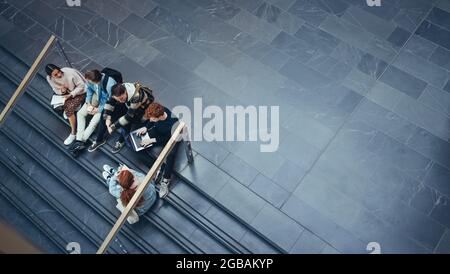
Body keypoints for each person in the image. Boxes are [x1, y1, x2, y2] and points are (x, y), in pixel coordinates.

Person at [88, 82, 154, 154]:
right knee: (105, 113)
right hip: (128, 105)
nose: (120, 101)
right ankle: (99, 140)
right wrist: (107, 118)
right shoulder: (118, 90)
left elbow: (128, 117)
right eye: (118, 99)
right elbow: (110, 102)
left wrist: (113, 127)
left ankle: (121, 141)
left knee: (127, 122)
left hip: (140, 111)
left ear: (125, 92)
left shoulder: (136, 97)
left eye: (121, 98)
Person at [137, 102, 180, 198]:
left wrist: (151, 140)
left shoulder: (173, 123)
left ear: (159, 117)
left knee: (171, 155)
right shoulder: (159, 110)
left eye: (153, 118)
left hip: (171, 137)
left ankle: (166, 180)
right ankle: (158, 168)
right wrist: (146, 127)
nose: (151, 120)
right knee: (139, 148)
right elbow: (151, 121)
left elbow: (167, 138)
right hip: (159, 131)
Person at [45, 64, 86, 145]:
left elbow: (82, 85)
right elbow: (55, 89)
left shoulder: (70, 73)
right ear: (51, 76)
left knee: (69, 110)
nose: (59, 75)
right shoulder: (49, 79)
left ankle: (73, 133)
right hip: (66, 94)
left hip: (79, 92)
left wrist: (71, 94)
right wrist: (62, 91)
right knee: (56, 106)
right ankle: (74, 109)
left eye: (59, 72)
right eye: (55, 75)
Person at [75, 70, 115, 144]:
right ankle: (78, 138)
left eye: (89, 82)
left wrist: (98, 110)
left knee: (93, 122)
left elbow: (111, 102)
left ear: (96, 81)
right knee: (80, 114)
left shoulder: (109, 85)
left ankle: (81, 141)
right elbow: (89, 89)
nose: (88, 82)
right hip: (96, 95)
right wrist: (88, 102)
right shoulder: (90, 80)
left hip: (105, 102)